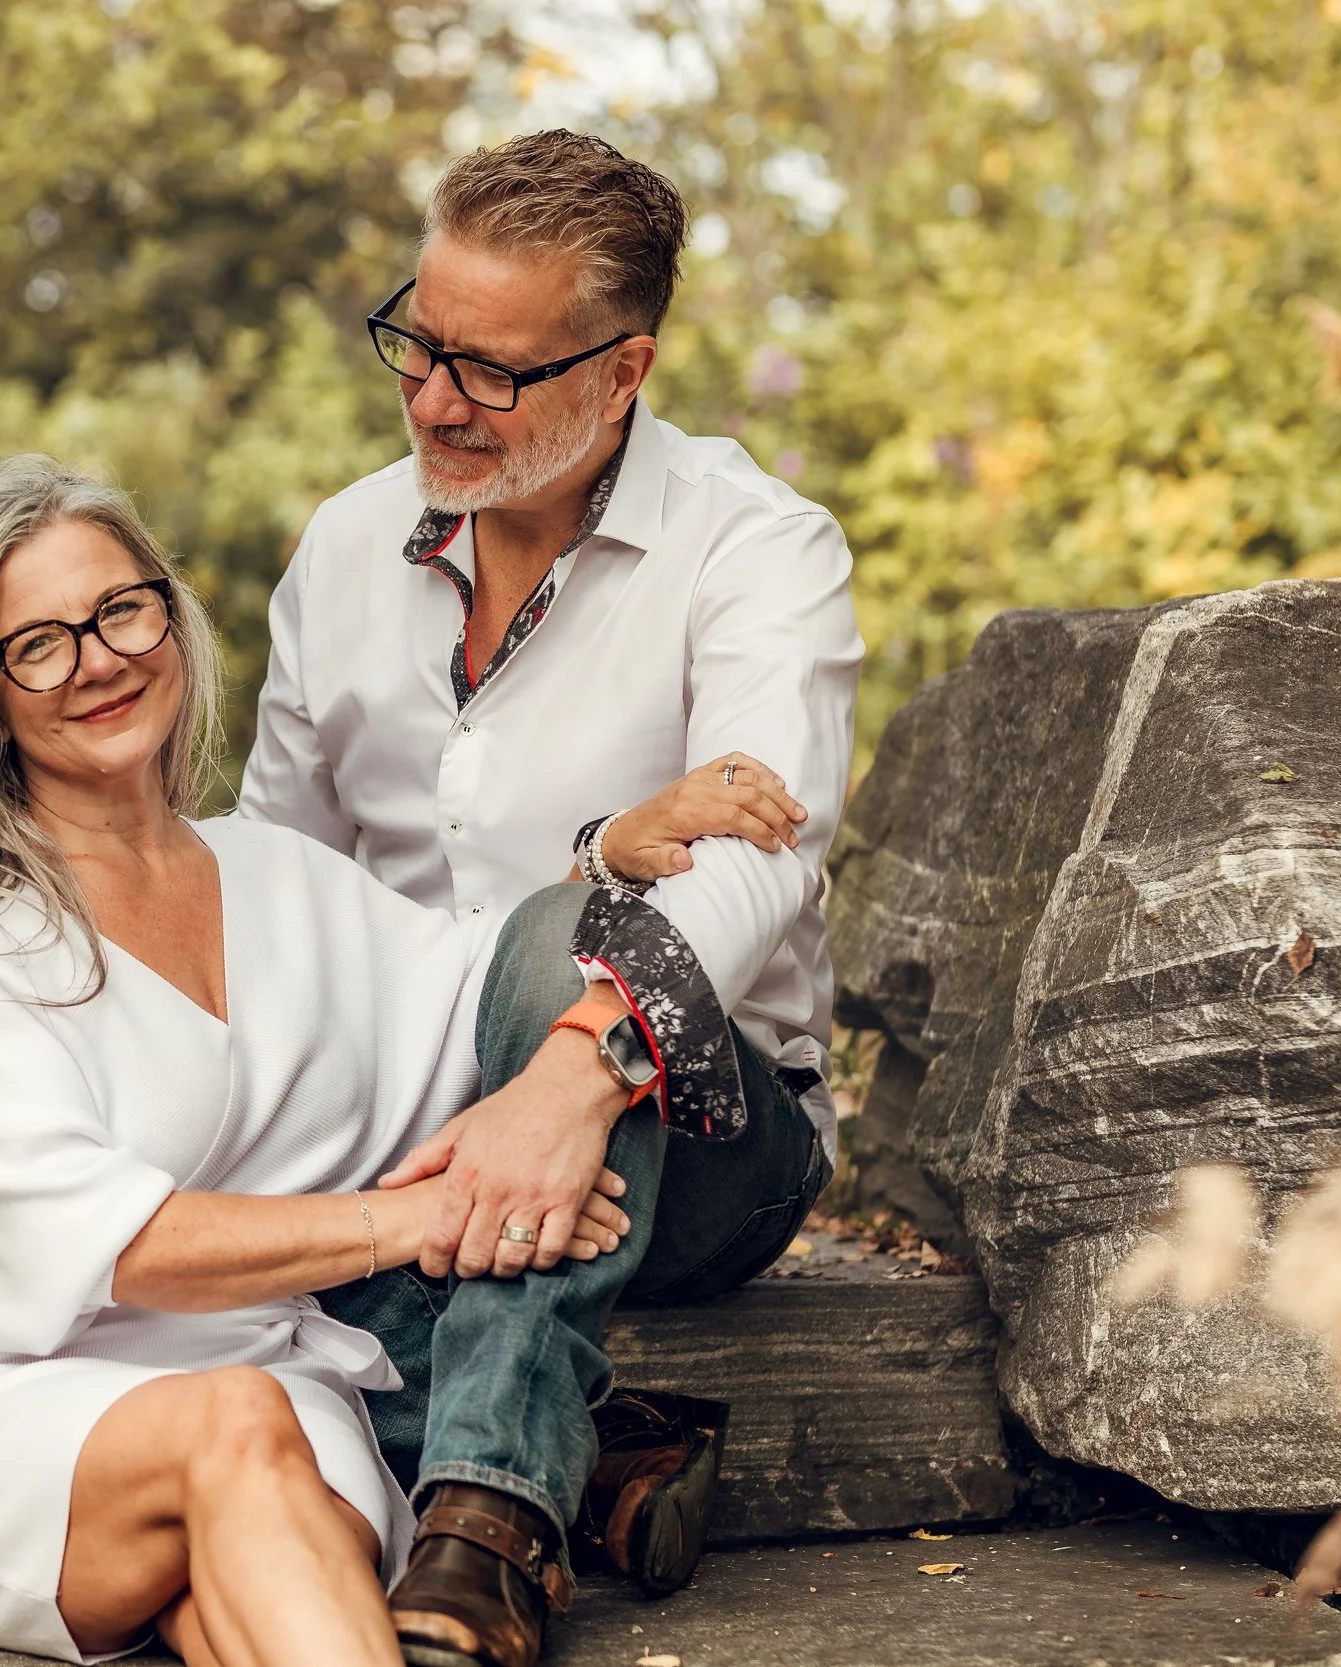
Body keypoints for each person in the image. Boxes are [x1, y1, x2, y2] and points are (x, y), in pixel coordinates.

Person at [0, 455, 795, 1666]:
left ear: (168, 613)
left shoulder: (275, 873)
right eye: (41, 641)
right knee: (234, 1427)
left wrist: (606, 860)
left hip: (290, 1389)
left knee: (260, 1538)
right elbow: (126, 1247)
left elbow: (492, 985)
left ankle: (528, 1468)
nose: (102, 657)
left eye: (123, 609)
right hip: (22, 1404)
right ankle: (553, 1471)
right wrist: (424, 1218)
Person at [237, 130, 865, 1666]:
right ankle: (608, 1439)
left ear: (624, 364)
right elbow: (279, 879)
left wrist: (575, 1066)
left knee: (568, 938)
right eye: (419, 342)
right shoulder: (340, 547)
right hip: (410, 1123)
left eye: (491, 370)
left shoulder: (758, 545)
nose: (435, 399)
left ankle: (489, 1510)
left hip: (708, 1135)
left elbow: (759, 853)